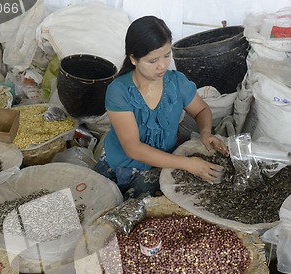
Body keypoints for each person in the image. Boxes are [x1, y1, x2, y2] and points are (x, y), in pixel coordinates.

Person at [94, 15, 229, 199]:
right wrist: (188, 164)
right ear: (133, 59)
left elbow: (201, 110)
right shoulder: (119, 91)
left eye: (167, 55)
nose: (163, 65)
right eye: (153, 60)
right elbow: (133, 148)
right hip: (122, 162)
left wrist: (205, 132)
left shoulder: (176, 82)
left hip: (165, 161)